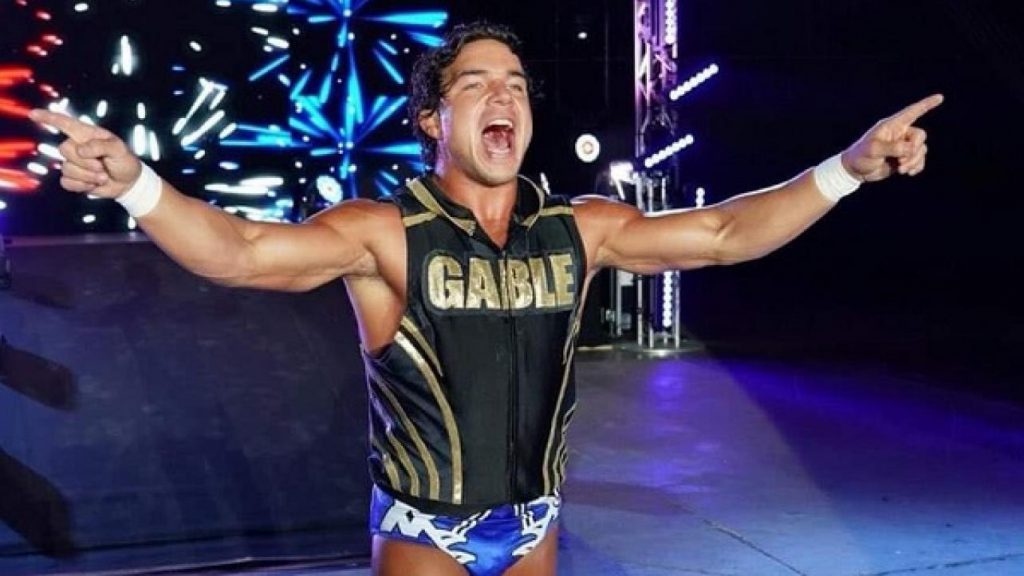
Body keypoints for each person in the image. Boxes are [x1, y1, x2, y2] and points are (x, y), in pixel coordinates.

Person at [29, 20, 941, 576]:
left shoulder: (579, 227)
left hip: (537, 525)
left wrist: (847, 169)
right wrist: (134, 184)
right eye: (476, 84)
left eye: (515, 85)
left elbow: (725, 233)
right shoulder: (382, 231)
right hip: (426, 532)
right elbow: (240, 252)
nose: (502, 95)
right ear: (434, 119)